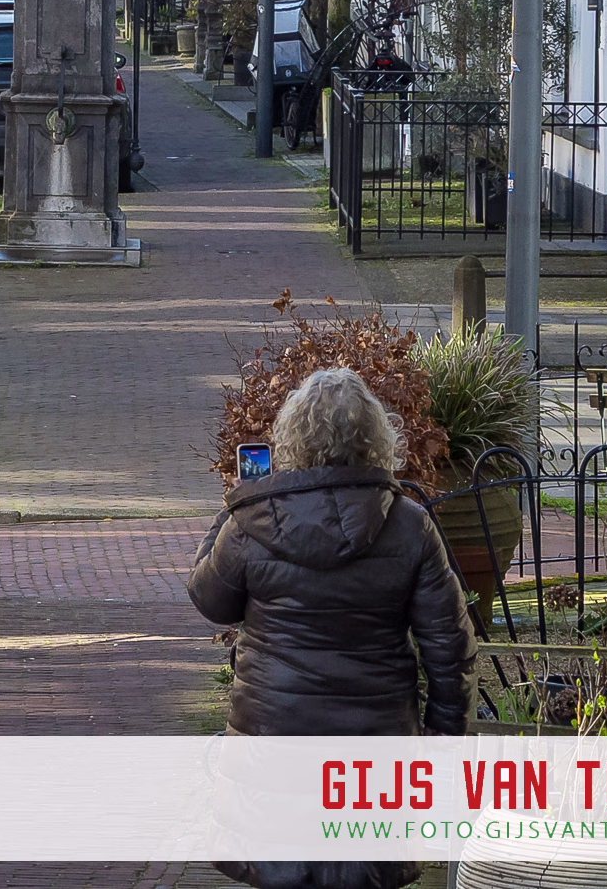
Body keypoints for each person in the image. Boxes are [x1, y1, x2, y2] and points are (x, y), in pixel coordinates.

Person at [188, 367, 475, 889]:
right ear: (377, 440)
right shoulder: (409, 526)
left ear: (291, 439)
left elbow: (211, 600)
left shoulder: (252, 523)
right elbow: (450, 650)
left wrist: (233, 507)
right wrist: (442, 742)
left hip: (271, 751)